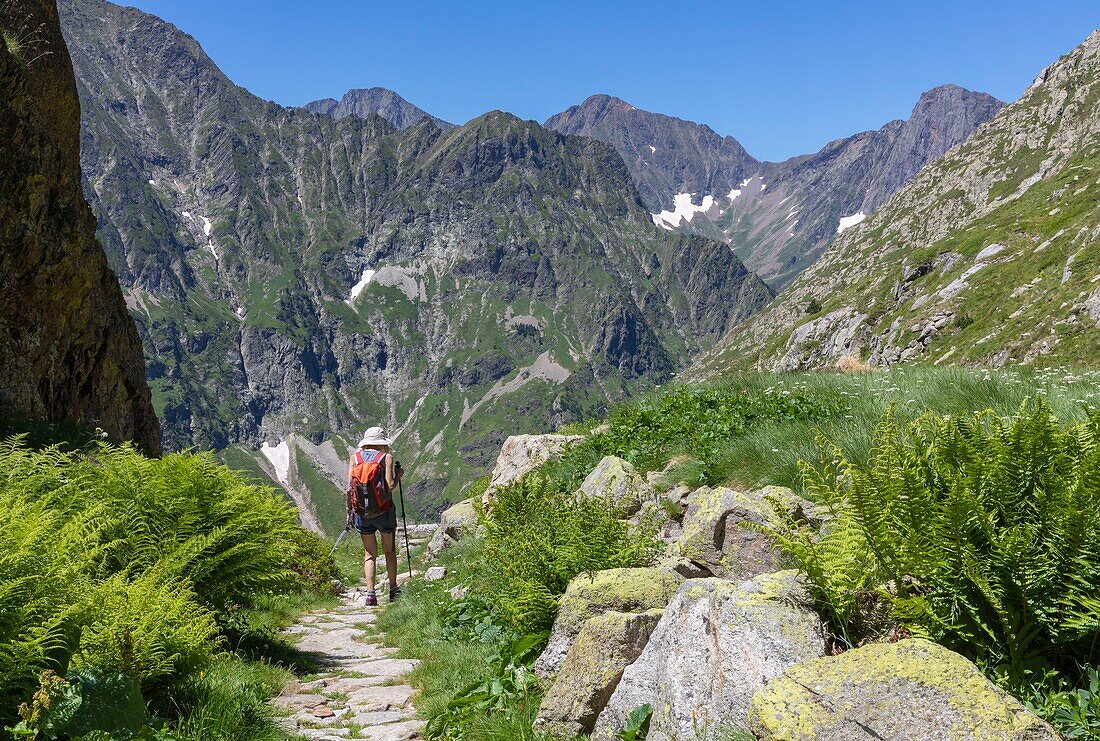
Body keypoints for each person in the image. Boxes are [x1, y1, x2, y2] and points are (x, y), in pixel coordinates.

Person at [346, 425, 403, 605]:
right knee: (389, 551)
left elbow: (348, 489)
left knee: (369, 553)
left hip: (362, 513)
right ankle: (393, 590)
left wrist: (349, 512)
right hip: (384, 511)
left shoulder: (354, 458)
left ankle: (370, 595)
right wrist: (399, 474)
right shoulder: (386, 457)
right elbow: (390, 485)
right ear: (381, 443)